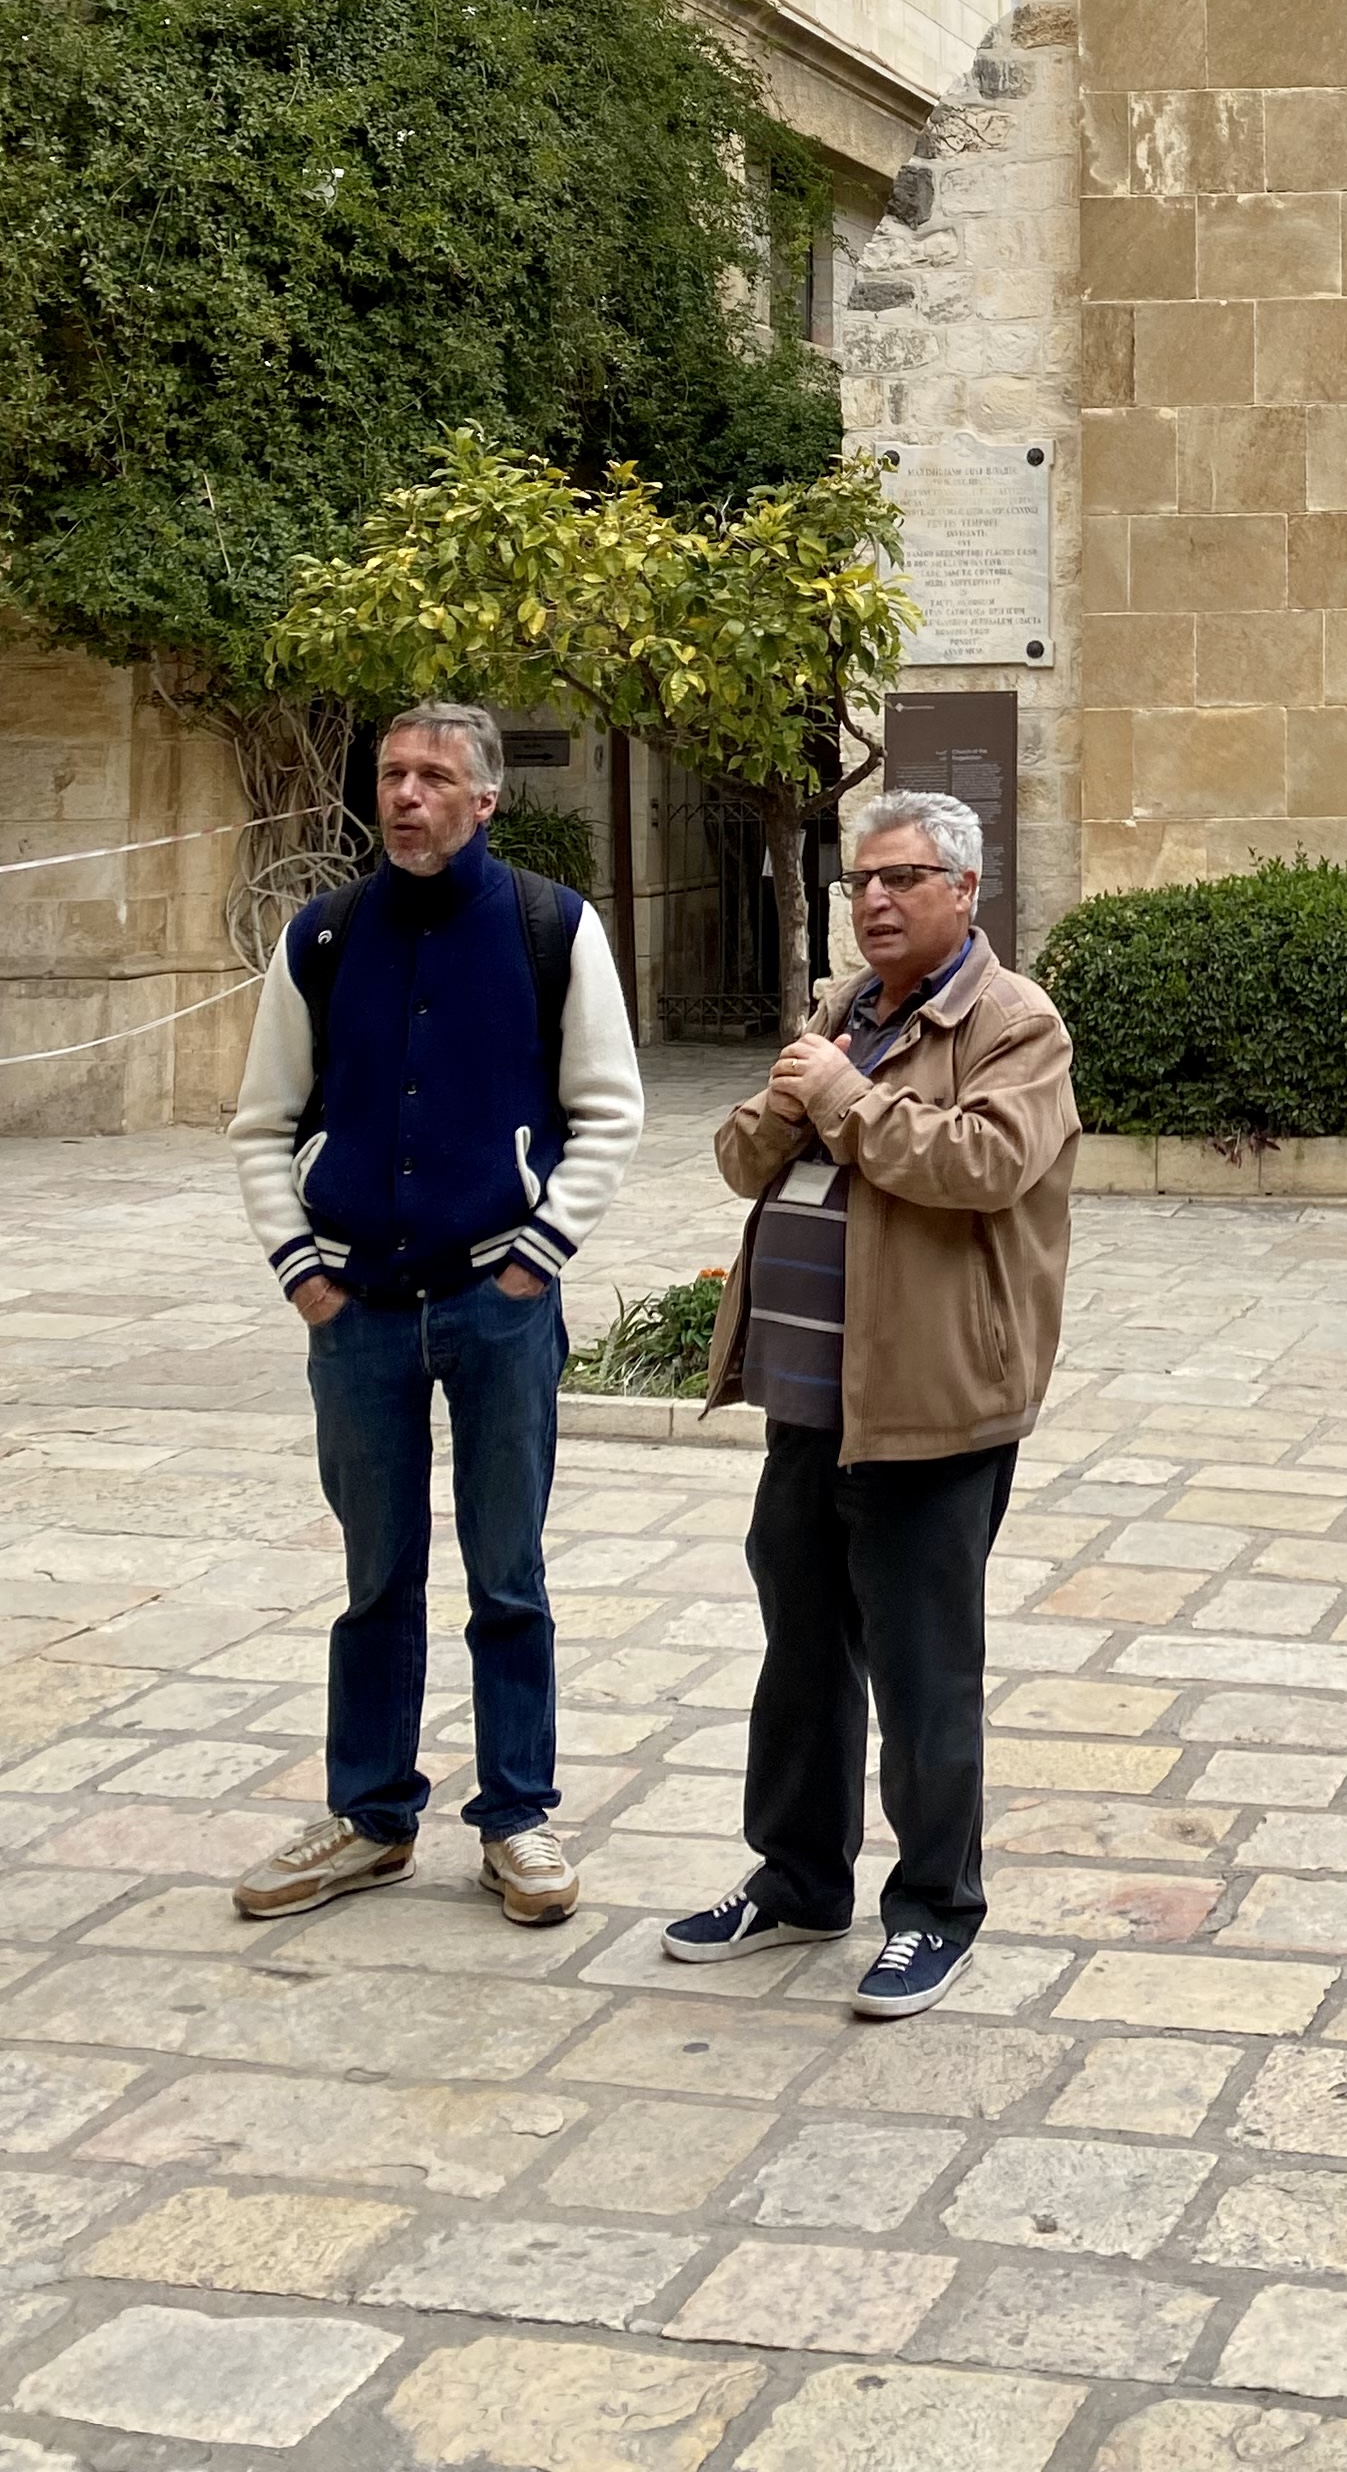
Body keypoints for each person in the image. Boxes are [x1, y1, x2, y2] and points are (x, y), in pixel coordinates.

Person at [228, 701, 643, 1925]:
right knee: (375, 1576)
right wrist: (302, 1269)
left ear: (484, 798)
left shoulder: (549, 929)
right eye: (391, 774)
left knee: (506, 1571)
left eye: (432, 776)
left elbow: (610, 1109)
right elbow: (261, 1122)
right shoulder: (322, 936)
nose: (405, 794)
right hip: (353, 1313)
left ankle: (518, 1817)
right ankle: (369, 1817)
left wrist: (536, 1257)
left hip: (497, 1305)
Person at [665, 787, 1077, 2020]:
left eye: (900, 879)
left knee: (922, 1666)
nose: (875, 901)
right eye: (859, 883)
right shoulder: (844, 1011)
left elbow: (983, 1166)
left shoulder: (1014, 1023)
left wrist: (839, 1101)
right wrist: (795, 1094)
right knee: (800, 1652)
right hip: (810, 1394)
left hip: (930, 1400)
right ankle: (796, 1880)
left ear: (964, 890)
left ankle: (936, 1911)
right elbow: (743, 1160)